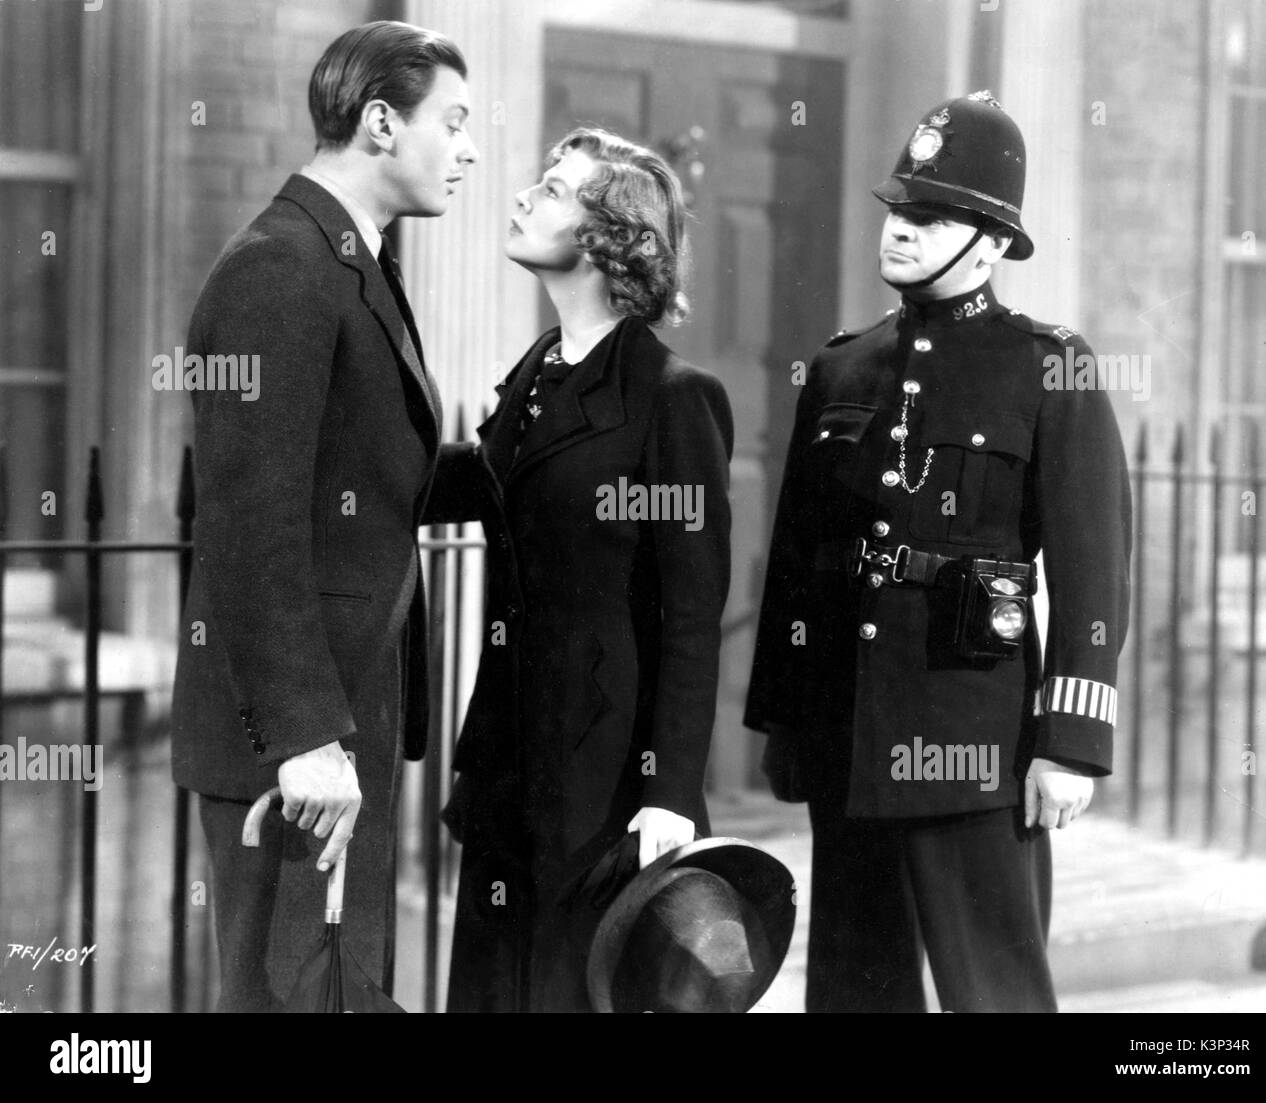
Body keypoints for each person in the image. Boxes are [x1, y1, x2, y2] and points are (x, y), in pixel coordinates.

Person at [745, 91, 1131, 1013]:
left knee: (992, 990)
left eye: (932, 217)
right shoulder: (841, 368)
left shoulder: (1051, 366)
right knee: (854, 988)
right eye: (898, 211)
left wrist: (1071, 744)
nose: (902, 232)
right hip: (848, 731)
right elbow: (797, 565)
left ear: (993, 243)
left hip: (977, 742)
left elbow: (1092, 570)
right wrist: (787, 718)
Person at [171, 21, 478, 1012]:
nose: (467, 150)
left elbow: (367, 470)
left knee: (336, 995)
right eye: (455, 122)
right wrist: (308, 737)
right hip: (298, 750)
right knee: (288, 1000)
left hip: (342, 729)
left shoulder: (351, 259)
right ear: (382, 123)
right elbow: (248, 524)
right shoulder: (282, 268)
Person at [431, 127, 734, 1012]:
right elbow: (486, 485)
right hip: (509, 761)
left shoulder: (672, 398)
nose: (524, 197)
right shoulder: (537, 373)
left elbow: (691, 613)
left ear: (611, 239)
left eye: (555, 190)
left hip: (606, 788)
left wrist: (670, 792)